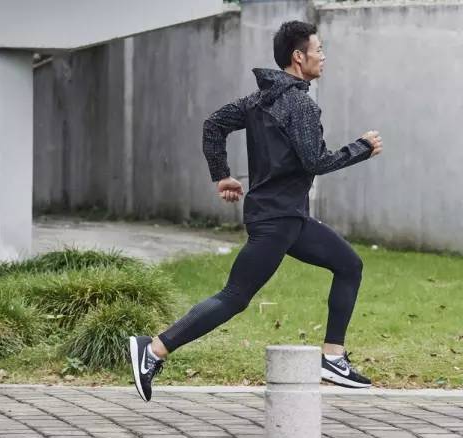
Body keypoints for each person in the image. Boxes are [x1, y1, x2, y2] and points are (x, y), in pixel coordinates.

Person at [129, 20, 383, 402]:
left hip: (288, 218)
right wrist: (361, 147)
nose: (323, 56)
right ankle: (153, 350)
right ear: (299, 57)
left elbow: (213, 125)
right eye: (319, 49)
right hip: (277, 221)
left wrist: (222, 176)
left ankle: (332, 358)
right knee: (235, 296)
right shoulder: (300, 104)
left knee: (349, 265)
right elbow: (316, 161)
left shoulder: (257, 100)